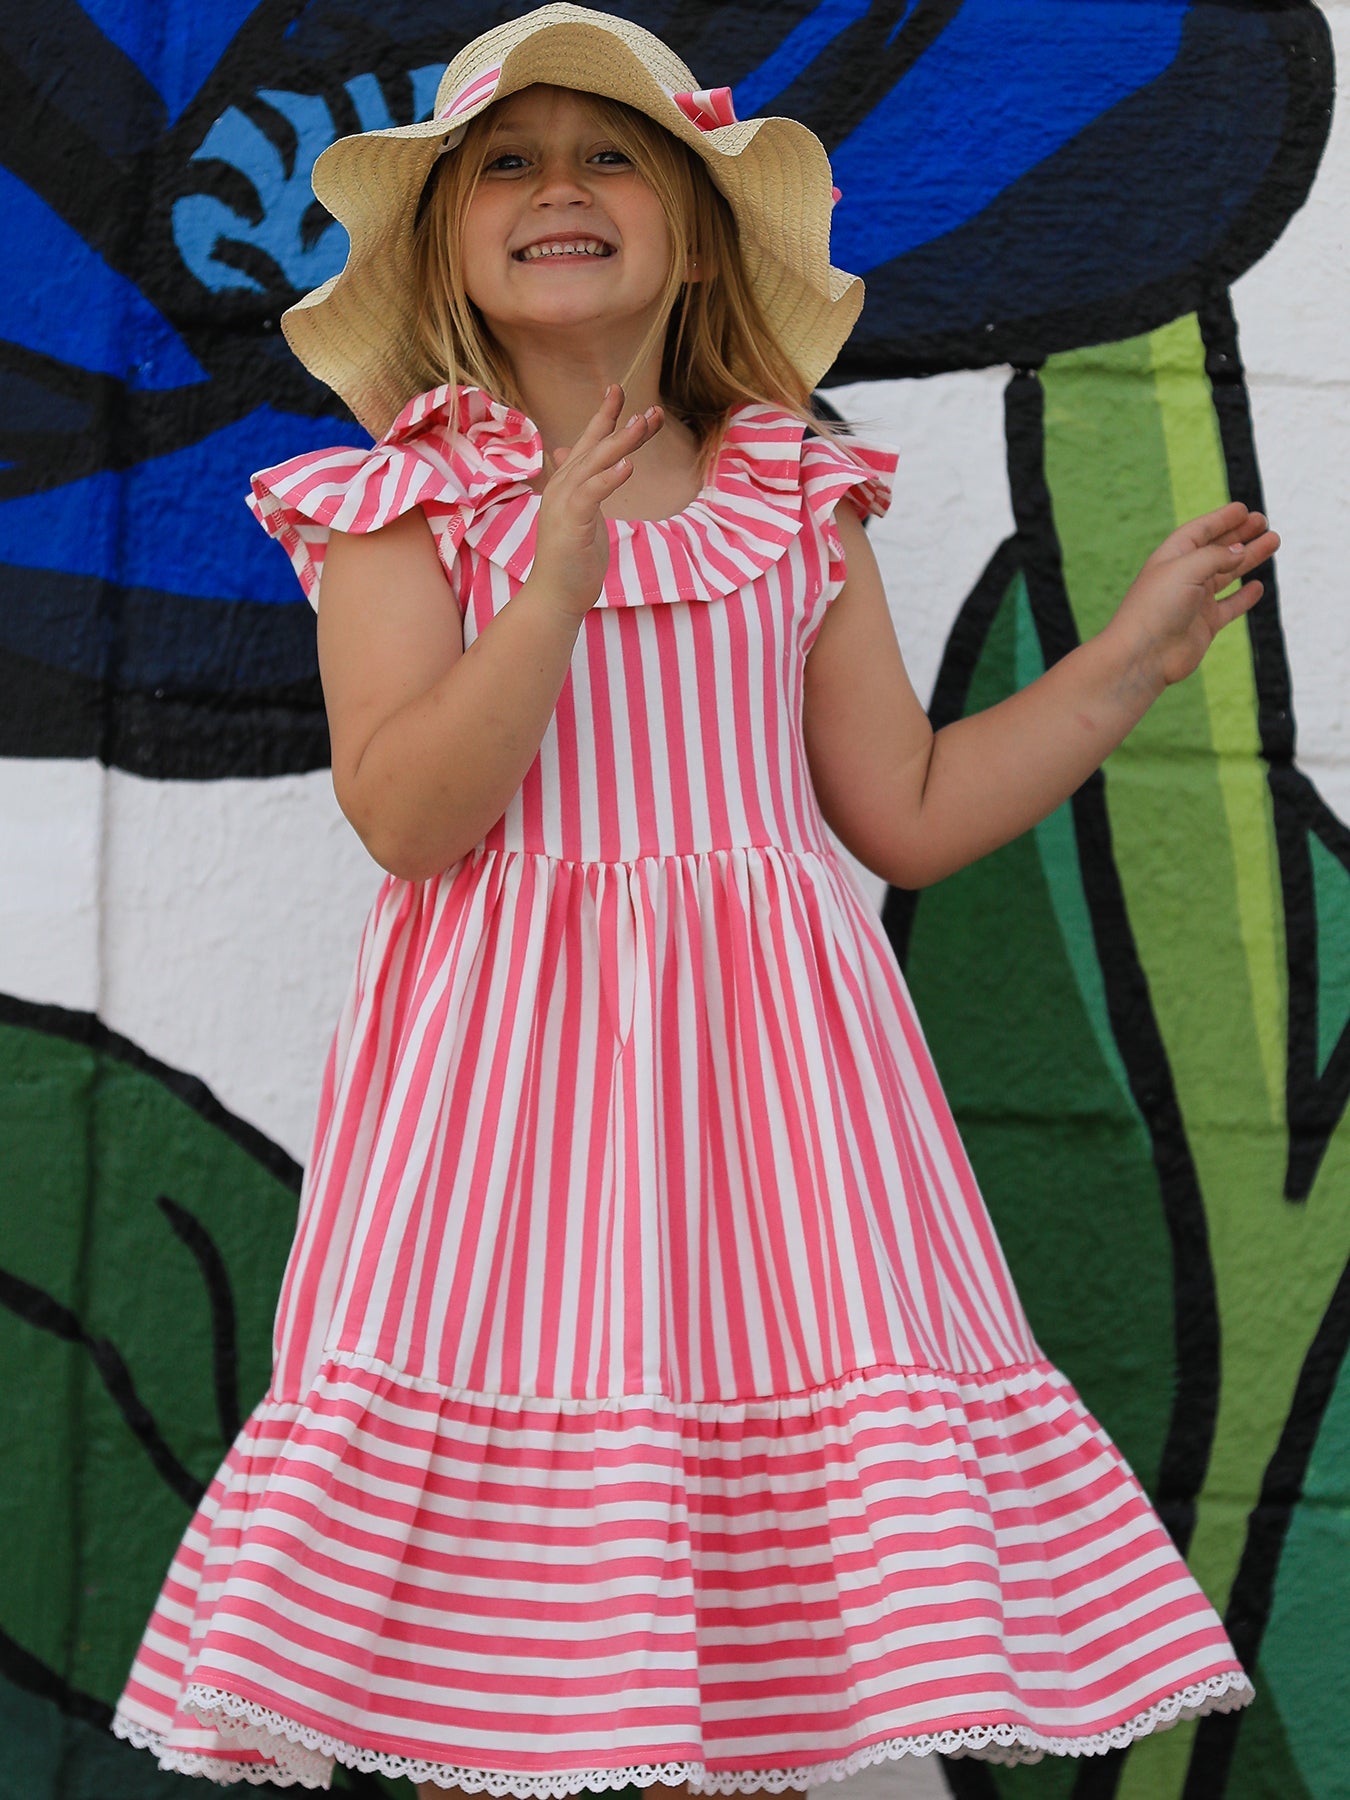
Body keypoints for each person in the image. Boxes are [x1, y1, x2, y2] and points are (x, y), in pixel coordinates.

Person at [113, 5, 1273, 1792]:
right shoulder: (400, 506)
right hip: (507, 1117)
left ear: (691, 228)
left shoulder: (792, 493)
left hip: (779, 1123)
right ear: (442, 242)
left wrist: (1120, 665)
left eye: (611, 157)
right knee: (511, 1635)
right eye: (506, 161)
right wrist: (554, 574)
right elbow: (413, 819)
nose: (556, 189)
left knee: (728, 1675)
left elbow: (904, 808)